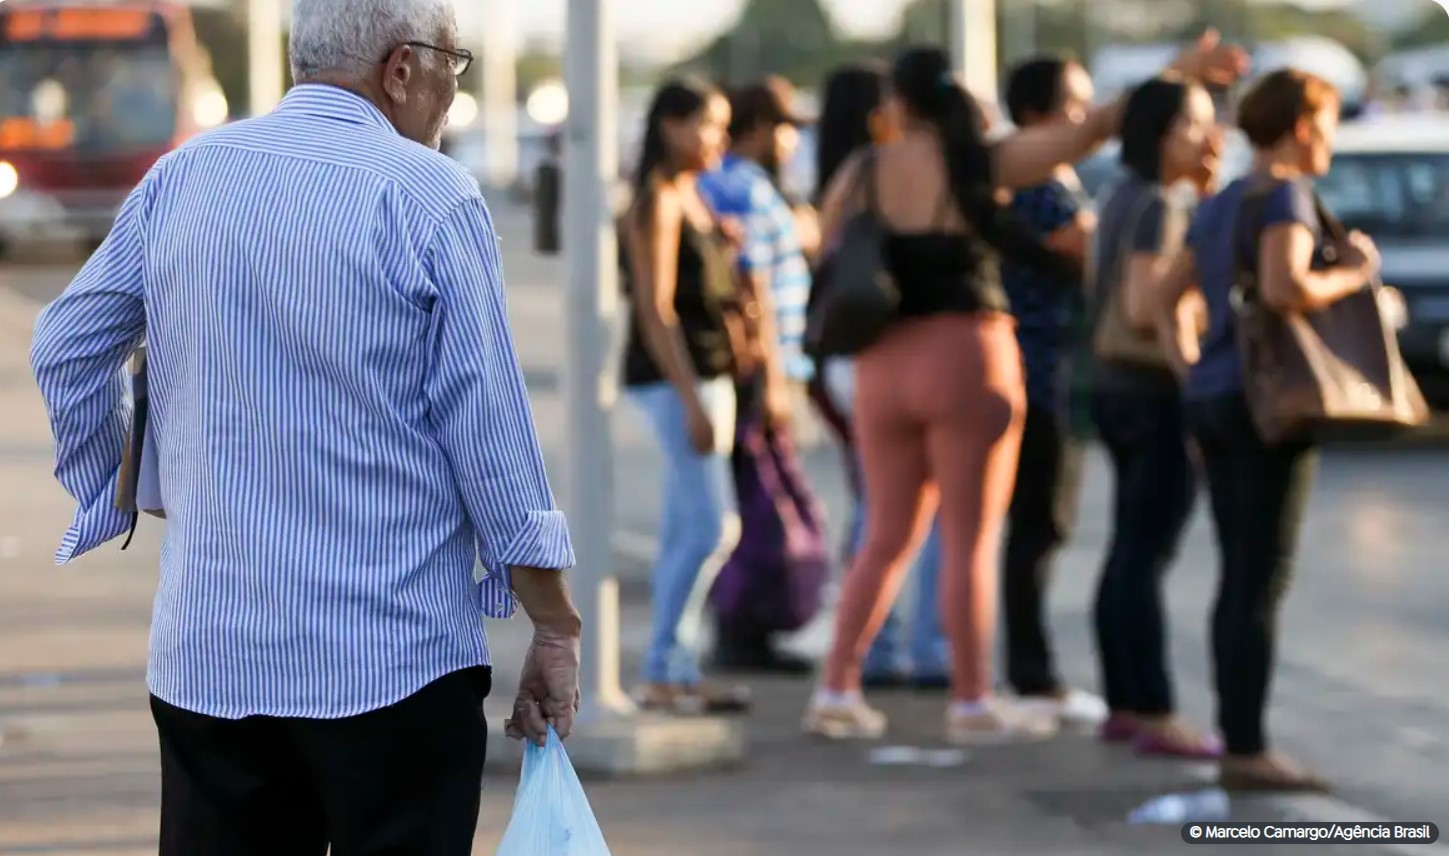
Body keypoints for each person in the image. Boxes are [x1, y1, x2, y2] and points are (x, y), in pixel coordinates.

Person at [28, 0, 581, 850]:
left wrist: (124, 483)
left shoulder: (186, 175)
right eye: (453, 66)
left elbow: (66, 345)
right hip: (392, 664)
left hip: (209, 657)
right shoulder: (428, 196)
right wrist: (552, 623)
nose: (451, 93)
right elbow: (491, 439)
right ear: (402, 68)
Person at [803, 36, 1246, 745]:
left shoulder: (861, 170)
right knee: (969, 539)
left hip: (882, 362)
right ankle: (972, 700)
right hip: (966, 356)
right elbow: (1091, 128)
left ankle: (836, 688)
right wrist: (1178, 75)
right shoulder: (981, 162)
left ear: (897, 106)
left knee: (883, 535)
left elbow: (822, 245)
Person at [1156, 68, 1373, 792]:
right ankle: (1245, 748)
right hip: (1265, 403)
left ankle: (1236, 735)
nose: (1331, 145)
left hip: (1216, 396)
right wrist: (1355, 274)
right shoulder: (1283, 193)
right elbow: (1284, 288)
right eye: (1330, 127)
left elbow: (1159, 298)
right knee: (1257, 580)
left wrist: (1191, 367)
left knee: (1235, 574)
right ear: (1304, 127)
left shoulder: (1218, 202)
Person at [1089, 74, 1222, 758]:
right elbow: (1147, 310)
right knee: (1145, 551)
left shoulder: (1120, 198)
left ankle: (1123, 703)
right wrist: (1194, 380)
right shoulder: (1156, 207)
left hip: (1112, 388)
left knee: (1127, 548)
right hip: (1150, 389)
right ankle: (1151, 707)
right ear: (1157, 134)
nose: (1206, 137)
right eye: (1193, 124)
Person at [807, 62, 950, 690]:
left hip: (844, 349)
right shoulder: (901, 165)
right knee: (921, 505)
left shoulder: (846, 169)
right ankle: (926, 646)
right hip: (902, 348)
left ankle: (877, 644)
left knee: (875, 500)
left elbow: (820, 244)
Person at [620, 78, 753, 715]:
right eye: (709, 125)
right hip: (679, 380)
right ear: (672, 126)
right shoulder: (657, 201)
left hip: (711, 374)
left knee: (686, 528)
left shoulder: (692, 193)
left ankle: (674, 667)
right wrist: (691, 399)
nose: (719, 140)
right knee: (710, 527)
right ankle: (665, 665)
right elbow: (655, 309)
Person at [697, 79, 824, 675]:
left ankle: (748, 629)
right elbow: (752, 289)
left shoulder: (749, 185)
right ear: (758, 127)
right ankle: (739, 631)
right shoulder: (740, 186)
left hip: (763, 366)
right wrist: (772, 375)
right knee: (758, 506)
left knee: (760, 501)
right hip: (758, 368)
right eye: (785, 126)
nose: (794, 140)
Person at [997, 55, 1105, 727]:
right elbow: (1093, 260)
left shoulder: (1035, 181)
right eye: (1075, 105)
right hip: (1041, 378)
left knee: (1034, 529)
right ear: (1038, 113)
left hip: (1040, 373)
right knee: (1038, 528)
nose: (1085, 120)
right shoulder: (1041, 188)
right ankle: (1030, 674)